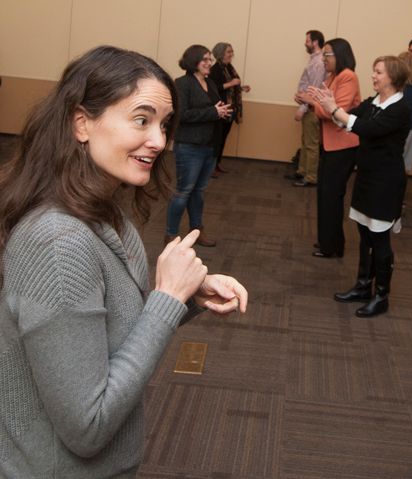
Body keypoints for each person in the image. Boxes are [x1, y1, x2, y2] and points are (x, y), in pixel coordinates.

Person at [0, 45, 248, 478]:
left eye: (163, 124)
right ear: (82, 123)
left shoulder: (104, 212)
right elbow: (88, 427)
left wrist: (185, 296)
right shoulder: (58, 243)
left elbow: (105, 331)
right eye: (141, 119)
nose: (159, 140)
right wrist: (167, 297)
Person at [310, 56, 412, 317]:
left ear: (393, 77)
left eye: (378, 72)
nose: (373, 76)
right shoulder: (374, 102)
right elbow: (350, 118)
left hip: (385, 183)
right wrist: (331, 107)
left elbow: (367, 128)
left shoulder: (400, 108)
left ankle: (382, 296)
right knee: (365, 234)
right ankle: (363, 287)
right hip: (367, 178)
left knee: (380, 239)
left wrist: (335, 110)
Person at [296, 38, 361, 258]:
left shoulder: (348, 77)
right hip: (332, 145)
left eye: (327, 55)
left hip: (343, 146)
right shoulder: (334, 76)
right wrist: (313, 100)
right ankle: (327, 241)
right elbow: (327, 106)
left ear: (340, 56)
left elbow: (336, 113)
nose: (323, 59)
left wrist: (313, 103)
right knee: (325, 194)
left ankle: (332, 247)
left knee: (332, 195)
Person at [165, 45, 232, 247]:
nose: (209, 62)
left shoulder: (210, 82)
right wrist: (214, 112)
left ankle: (196, 231)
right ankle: (170, 236)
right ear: (193, 60)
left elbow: (214, 108)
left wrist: (222, 112)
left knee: (198, 191)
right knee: (184, 190)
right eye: (204, 59)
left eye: (210, 59)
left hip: (210, 145)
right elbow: (182, 114)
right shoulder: (182, 83)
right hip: (190, 146)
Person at [286, 30, 327, 187]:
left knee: (311, 144)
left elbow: (314, 90)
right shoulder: (314, 60)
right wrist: (300, 97)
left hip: (312, 109)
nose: (305, 43)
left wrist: (302, 109)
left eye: (307, 41)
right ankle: (302, 172)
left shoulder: (318, 63)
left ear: (315, 42)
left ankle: (311, 177)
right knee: (306, 141)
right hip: (308, 106)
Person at [209, 42, 251, 177]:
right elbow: (213, 87)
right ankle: (210, 166)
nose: (232, 54)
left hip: (230, 109)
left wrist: (240, 87)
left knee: (223, 138)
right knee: (216, 138)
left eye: (232, 51)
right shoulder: (215, 69)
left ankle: (217, 162)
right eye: (229, 52)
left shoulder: (228, 68)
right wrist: (231, 83)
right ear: (221, 54)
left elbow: (231, 85)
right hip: (220, 109)